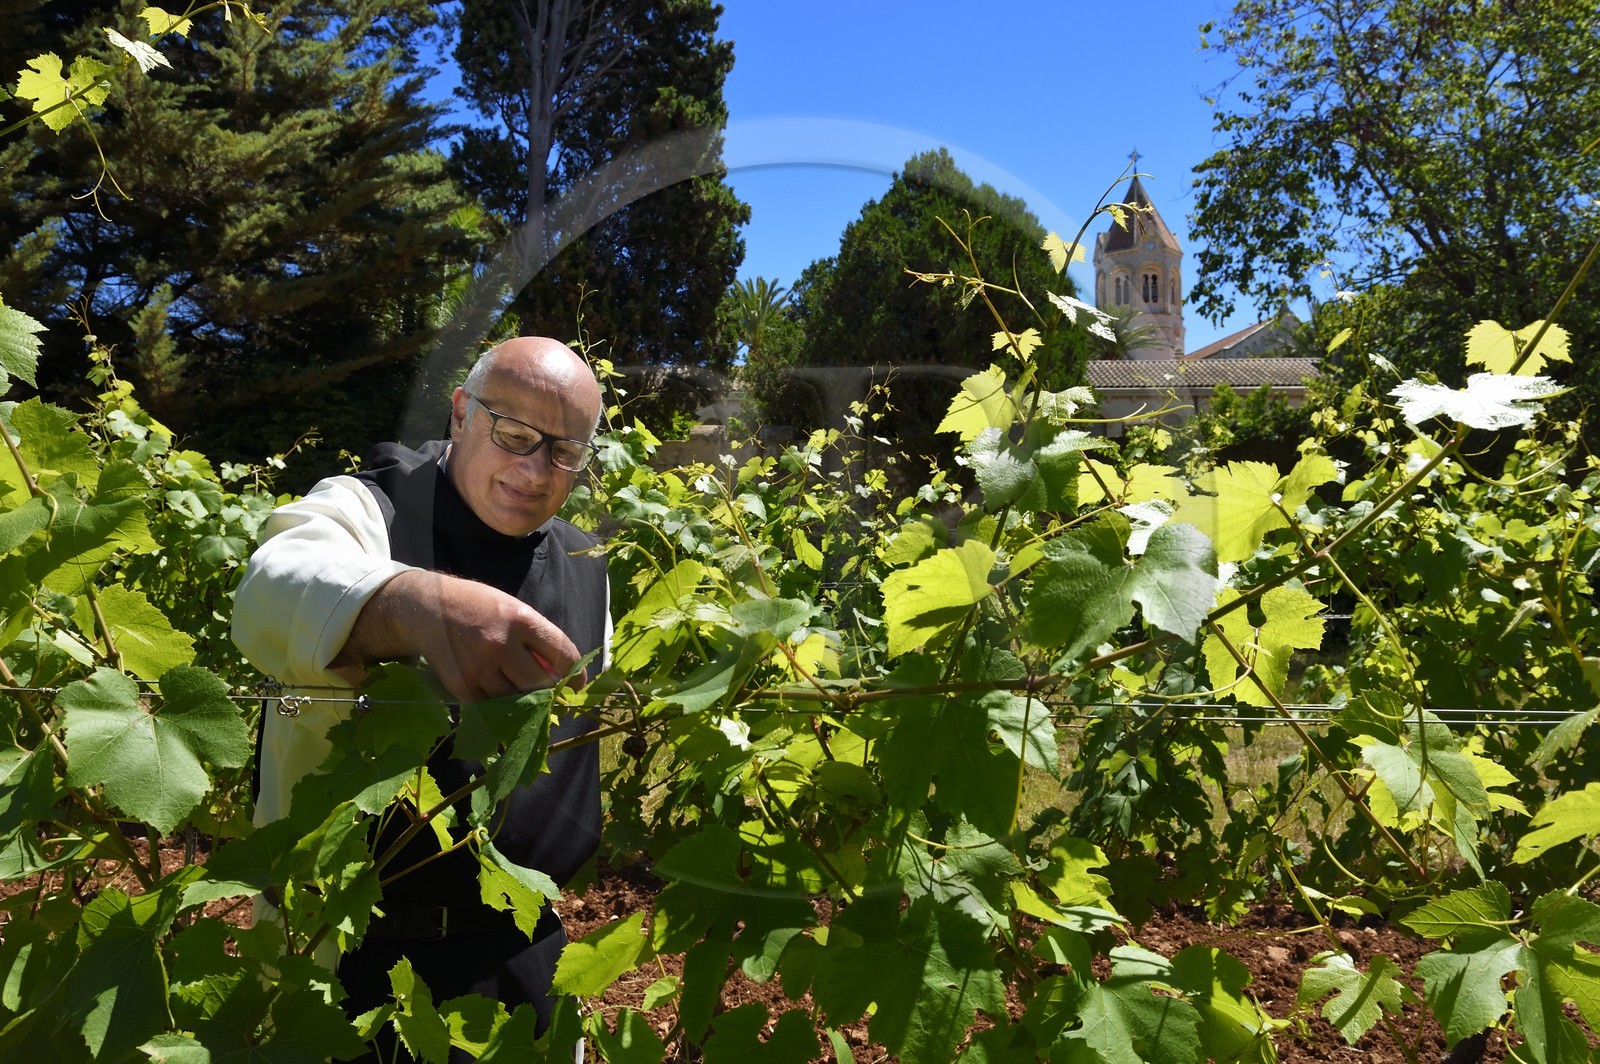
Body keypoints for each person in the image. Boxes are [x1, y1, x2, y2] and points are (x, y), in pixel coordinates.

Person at [232, 337, 609, 1056]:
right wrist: (417, 607)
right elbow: (267, 591)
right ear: (462, 411)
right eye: (516, 435)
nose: (535, 470)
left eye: (564, 452)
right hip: (349, 954)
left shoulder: (588, 568)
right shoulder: (366, 511)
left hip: (526, 959)